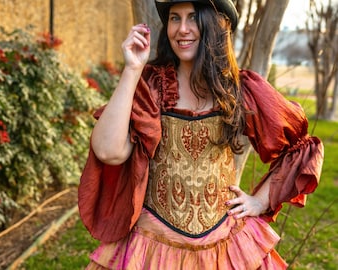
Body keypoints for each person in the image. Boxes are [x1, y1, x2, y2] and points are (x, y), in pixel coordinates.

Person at [78, 0, 324, 269]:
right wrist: (132, 70)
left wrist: (259, 201)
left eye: (193, 18)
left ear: (213, 24)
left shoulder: (239, 90)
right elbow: (108, 151)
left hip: (223, 242)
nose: (182, 29)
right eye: (175, 18)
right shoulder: (152, 86)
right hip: (152, 244)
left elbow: (299, 146)